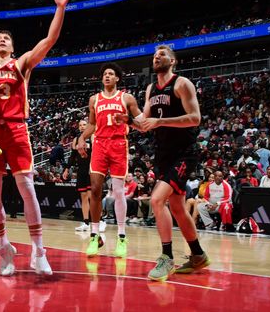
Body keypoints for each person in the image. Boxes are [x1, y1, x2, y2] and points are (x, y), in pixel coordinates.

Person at [0, 0, 74, 276]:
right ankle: (3, 247)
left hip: (16, 130)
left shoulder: (23, 64)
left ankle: (38, 250)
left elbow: (50, 40)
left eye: (7, 38)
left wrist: (60, 9)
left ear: (13, 47)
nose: (2, 39)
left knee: (27, 187)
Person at [137, 45, 208, 281]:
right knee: (177, 207)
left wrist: (160, 121)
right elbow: (146, 122)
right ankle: (198, 255)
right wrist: (125, 119)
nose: (157, 57)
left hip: (183, 153)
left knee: (157, 200)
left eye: (162, 54)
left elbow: (195, 118)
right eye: (155, 55)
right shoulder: (150, 88)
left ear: (173, 61)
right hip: (163, 155)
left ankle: (166, 258)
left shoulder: (181, 84)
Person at [76, 63, 144, 258]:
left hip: (118, 145)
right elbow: (91, 124)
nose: (107, 76)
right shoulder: (94, 100)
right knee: (95, 189)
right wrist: (81, 138)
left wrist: (128, 120)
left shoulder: (126, 98)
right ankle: (95, 235)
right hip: (99, 145)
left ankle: (122, 237)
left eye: (111, 74)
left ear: (117, 79)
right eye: (105, 74)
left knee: (117, 191)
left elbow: (143, 123)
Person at [63, 119, 94, 232]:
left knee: (92, 197)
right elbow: (72, 156)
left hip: (91, 170)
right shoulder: (76, 140)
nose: (82, 127)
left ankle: (99, 221)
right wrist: (66, 169)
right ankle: (86, 222)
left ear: (88, 125)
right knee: (84, 197)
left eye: (84, 125)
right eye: (80, 125)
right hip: (81, 171)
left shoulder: (93, 137)